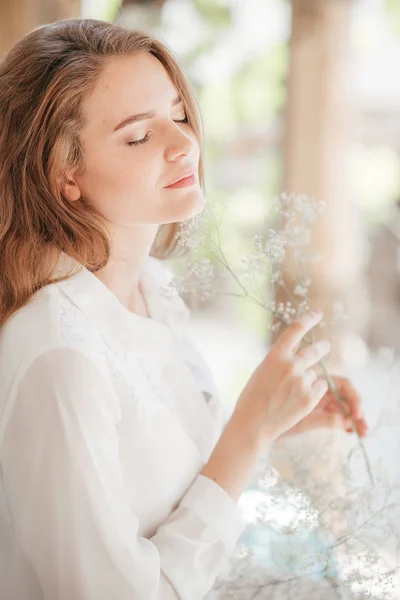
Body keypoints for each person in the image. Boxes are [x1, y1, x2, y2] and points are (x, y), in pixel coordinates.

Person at [0, 19, 368, 600]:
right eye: (138, 136)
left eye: (177, 113)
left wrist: (274, 426)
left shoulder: (149, 293)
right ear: (64, 172)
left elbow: (167, 498)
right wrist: (245, 434)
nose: (184, 144)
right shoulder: (60, 360)